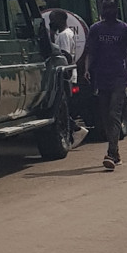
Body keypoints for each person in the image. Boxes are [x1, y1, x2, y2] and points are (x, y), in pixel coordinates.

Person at [82, 0, 127, 171]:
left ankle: (111, 153)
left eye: (111, 8)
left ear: (117, 10)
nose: (108, 11)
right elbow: (90, 52)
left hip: (119, 78)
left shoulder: (125, 30)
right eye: (105, 8)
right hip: (101, 78)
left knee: (114, 114)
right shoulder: (95, 29)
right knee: (105, 116)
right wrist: (87, 69)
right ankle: (116, 152)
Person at [49, 9, 88, 150]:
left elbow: (65, 55)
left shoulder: (65, 35)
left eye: (53, 20)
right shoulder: (66, 33)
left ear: (60, 20)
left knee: (62, 107)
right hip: (70, 73)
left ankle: (75, 129)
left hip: (66, 75)